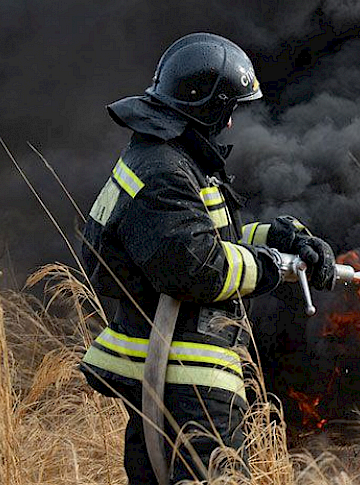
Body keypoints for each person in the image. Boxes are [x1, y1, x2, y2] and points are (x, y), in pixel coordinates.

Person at [79, 32, 336, 484]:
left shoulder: (167, 159)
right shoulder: (164, 173)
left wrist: (281, 239)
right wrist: (272, 266)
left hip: (169, 379)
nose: (231, 123)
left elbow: (208, 241)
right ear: (207, 107)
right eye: (229, 109)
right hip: (188, 384)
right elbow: (200, 268)